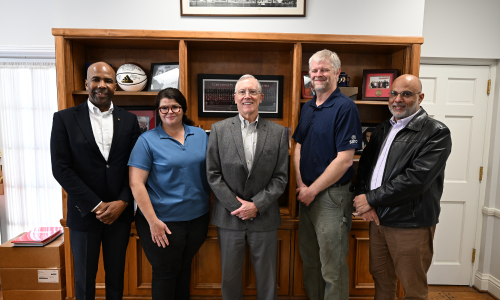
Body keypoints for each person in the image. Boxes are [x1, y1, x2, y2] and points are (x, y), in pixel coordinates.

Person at [353, 74, 452, 300]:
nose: (398, 99)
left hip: (410, 221)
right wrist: (363, 199)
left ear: (420, 97)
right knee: (381, 277)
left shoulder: (436, 132)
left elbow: (416, 179)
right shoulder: (381, 130)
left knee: (412, 285)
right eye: (394, 93)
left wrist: (370, 199)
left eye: (406, 94)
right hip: (378, 218)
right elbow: (365, 169)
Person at [50, 62, 141, 300]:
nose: (102, 85)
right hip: (84, 213)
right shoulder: (64, 119)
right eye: (96, 80)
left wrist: (122, 201)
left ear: (115, 86)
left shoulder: (130, 120)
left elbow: (135, 167)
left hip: (119, 215)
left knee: (116, 279)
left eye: (108, 80)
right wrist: (96, 205)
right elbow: (61, 168)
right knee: (84, 282)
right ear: (86, 84)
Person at [206, 74, 288, 300]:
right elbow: (213, 174)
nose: (247, 96)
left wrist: (256, 205)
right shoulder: (219, 130)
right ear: (235, 98)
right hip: (229, 217)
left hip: (265, 218)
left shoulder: (279, 133)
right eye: (242, 92)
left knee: (267, 279)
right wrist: (239, 207)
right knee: (230, 279)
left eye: (252, 92)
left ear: (261, 97)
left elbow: (281, 177)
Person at [292, 49, 362, 300]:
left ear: (337, 73)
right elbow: (298, 146)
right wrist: (301, 184)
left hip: (331, 199)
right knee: (310, 263)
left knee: (332, 269)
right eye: (314, 70)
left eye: (324, 69)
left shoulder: (346, 108)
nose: (318, 74)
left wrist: (312, 190)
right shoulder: (308, 107)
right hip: (306, 197)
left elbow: (344, 160)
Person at [128, 88, 210, 300]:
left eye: (175, 106)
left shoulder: (200, 135)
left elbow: (213, 172)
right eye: (164, 107)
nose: (169, 111)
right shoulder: (146, 140)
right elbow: (136, 184)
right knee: (165, 273)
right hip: (162, 222)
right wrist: (153, 222)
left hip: (197, 220)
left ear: (183, 109)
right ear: (158, 110)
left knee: (183, 270)